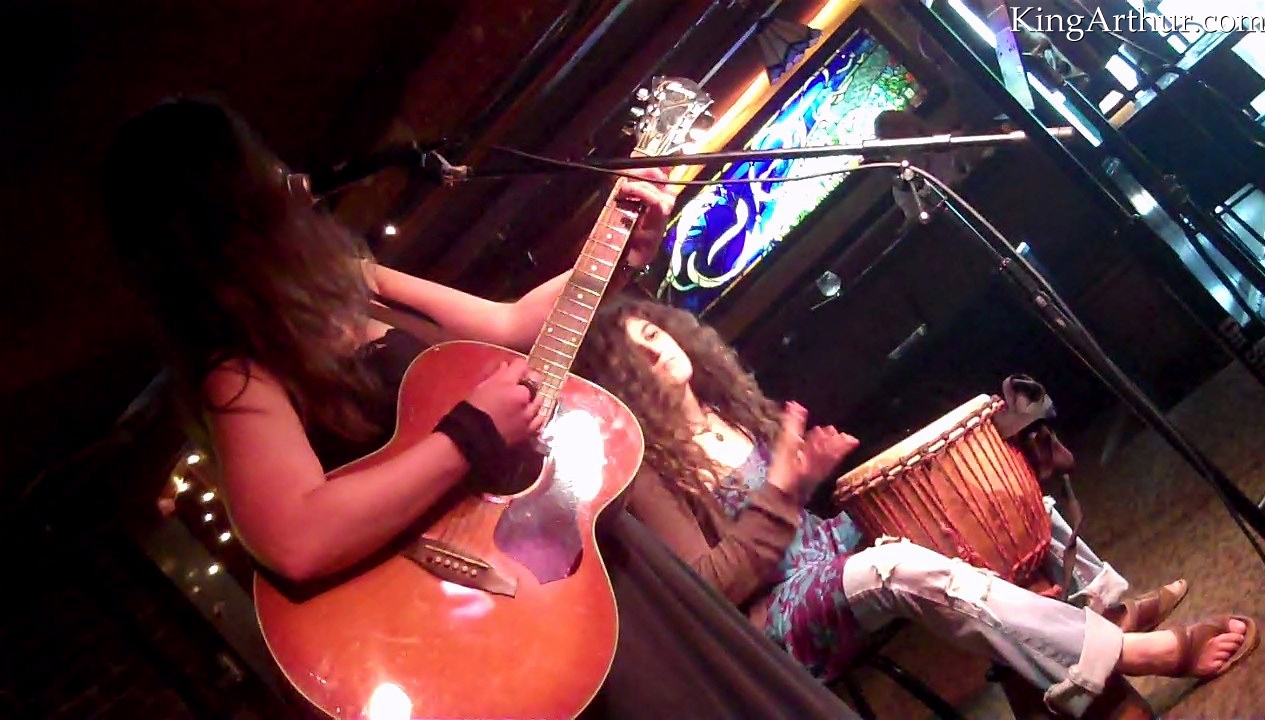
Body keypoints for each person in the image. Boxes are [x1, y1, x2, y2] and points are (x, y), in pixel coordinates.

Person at [102, 97, 862, 719]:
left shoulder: (353, 280)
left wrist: (615, 252)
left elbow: (508, 326)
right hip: (496, 608)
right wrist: (466, 436)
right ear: (230, 206)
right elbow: (297, 537)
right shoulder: (238, 373)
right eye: (260, 165)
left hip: (580, 553)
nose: (286, 174)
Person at [575, 296, 1259, 718]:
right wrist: (784, 487)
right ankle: (1129, 652)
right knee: (896, 566)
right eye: (635, 356)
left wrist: (805, 478)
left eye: (653, 334)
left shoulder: (728, 410)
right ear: (621, 385)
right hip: (778, 619)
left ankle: (1100, 608)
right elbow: (711, 585)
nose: (656, 351)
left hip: (826, 561)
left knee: (971, 492)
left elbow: (792, 519)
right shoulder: (647, 472)